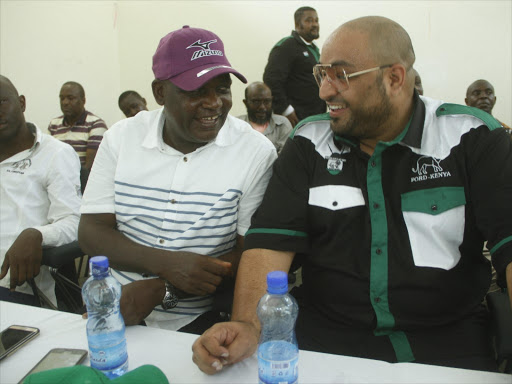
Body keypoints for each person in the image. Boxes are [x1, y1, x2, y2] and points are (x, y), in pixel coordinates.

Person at [192, 16, 512, 373]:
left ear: (394, 78)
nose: (324, 91)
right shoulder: (309, 143)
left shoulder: (472, 138)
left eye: (340, 75)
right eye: (321, 74)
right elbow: (270, 243)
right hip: (328, 341)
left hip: (450, 342)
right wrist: (248, 326)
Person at [78, 26, 277, 333]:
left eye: (222, 89)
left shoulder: (255, 152)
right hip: (112, 306)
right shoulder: (122, 137)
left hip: (198, 320)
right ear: (160, 92)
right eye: (197, 92)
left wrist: (162, 289)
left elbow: (248, 256)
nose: (214, 103)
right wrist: (165, 264)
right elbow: (91, 231)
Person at [0, 75, 81, 307]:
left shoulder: (55, 154)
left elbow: (74, 222)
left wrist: (37, 234)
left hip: (13, 287)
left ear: (22, 103)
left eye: (1, 101)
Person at [263, 6, 326, 127]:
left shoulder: (313, 49)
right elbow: (271, 80)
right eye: (309, 20)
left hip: (315, 116)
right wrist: (286, 109)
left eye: (316, 20)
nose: (315, 24)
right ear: (297, 24)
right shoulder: (287, 46)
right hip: (295, 118)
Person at [48, 81, 108, 170]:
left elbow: (90, 168)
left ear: (83, 101)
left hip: (82, 180)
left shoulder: (96, 125)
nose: (65, 102)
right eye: (62, 98)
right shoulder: (54, 124)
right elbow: (48, 158)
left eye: (70, 98)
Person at [237, 82, 293, 153]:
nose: (262, 107)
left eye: (267, 101)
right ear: (246, 103)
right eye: (256, 102)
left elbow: (285, 157)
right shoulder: (236, 126)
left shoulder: (282, 124)